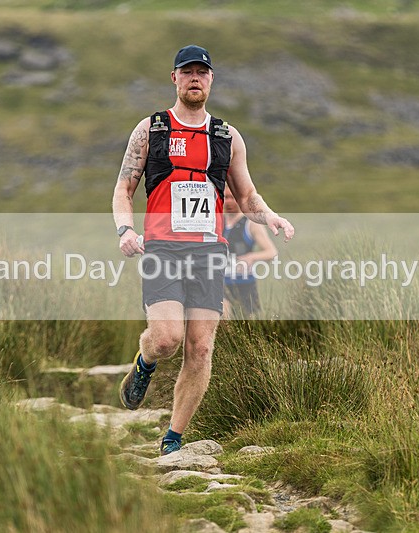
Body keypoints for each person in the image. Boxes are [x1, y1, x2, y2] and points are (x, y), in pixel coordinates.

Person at [111, 44, 295, 455]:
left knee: (201, 347)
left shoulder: (227, 136)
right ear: (174, 78)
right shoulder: (152, 129)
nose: (195, 78)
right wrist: (125, 230)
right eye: (187, 71)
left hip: (210, 252)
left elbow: (246, 196)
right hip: (162, 248)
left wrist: (271, 217)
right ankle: (144, 362)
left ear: (211, 79)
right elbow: (123, 188)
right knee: (166, 339)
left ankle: (173, 439)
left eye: (202, 72)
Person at [223, 187, 278, 317]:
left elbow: (272, 252)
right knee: (223, 318)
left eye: (233, 197)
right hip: (220, 283)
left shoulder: (251, 223)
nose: (229, 202)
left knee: (247, 324)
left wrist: (251, 257)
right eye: (225, 197)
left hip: (244, 284)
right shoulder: (217, 222)